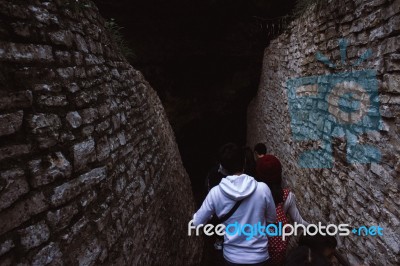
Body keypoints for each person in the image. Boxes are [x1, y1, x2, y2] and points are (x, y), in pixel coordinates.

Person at [193, 143, 277, 266]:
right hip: (260, 256)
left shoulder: (215, 193)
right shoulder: (263, 189)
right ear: (244, 162)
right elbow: (271, 220)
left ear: (222, 168)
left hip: (232, 258)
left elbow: (197, 223)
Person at [256, 155, 309, 266]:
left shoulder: (254, 194)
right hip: (277, 250)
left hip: (257, 245)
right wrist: (318, 228)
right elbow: (299, 221)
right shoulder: (287, 196)